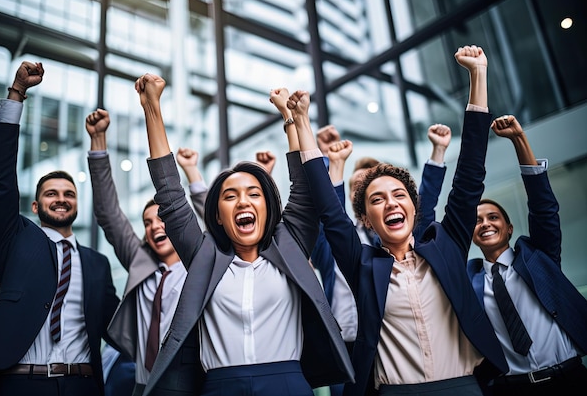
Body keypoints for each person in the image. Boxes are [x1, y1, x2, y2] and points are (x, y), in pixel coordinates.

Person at [298, 45, 509, 395]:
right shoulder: (361, 264)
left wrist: (477, 76)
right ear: (365, 218)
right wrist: (303, 122)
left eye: (399, 195)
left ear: (414, 207)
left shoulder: (447, 244)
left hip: (464, 386)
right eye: (376, 200)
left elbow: (470, 172)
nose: (390, 204)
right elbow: (329, 210)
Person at [136, 77, 353, 396]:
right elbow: (169, 195)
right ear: (218, 217)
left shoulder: (289, 244)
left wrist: (289, 119)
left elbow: (305, 190)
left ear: (268, 208)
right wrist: (152, 106)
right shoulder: (203, 256)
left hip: (288, 384)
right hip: (220, 388)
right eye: (230, 196)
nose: (243, 202)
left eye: (254, 193)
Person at [0, 61, 120, 396]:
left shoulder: (97, 264)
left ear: (76, 204)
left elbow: (121, 328)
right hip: (20, 384)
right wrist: (17, 94)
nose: (61, 200)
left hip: (83, 385)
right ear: (35, 207)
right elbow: (0, 179)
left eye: (69, 194)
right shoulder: (15, 238)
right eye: (51, 194)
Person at [310, 123, 452, 396]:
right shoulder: (333, 243)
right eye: (356, 187)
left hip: (393, 344)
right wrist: (329, 160)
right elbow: (329, 213)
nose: (360, 191)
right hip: (345, 348)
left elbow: (424, 206)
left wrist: (437, 153)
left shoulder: (397, 238)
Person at [85, 109, 207, 396]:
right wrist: (98, 141)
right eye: (148, 223)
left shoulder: (201, 263)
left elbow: (218, 228)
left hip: (190, 385)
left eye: (162, 219)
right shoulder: (141, 261)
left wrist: (192, 174)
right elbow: (109, 214)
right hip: (143, 386)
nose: (155, 227)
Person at [467, 114, 587, 396]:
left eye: (493, 217)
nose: (485, 223)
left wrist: (519, 139)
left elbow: (543, 208)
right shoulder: (468, 281)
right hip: (512, 389)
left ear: (508, 228)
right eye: (476, 220)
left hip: (570, 379)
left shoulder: (539, 257)